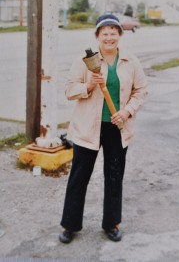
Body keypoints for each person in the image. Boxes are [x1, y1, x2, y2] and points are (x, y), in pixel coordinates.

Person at [59, 14, 148, 243]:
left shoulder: (130, 61)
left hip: (117, 127)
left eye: (113, 32)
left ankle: (112, 224)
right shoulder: (84, 61)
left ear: (119, 35)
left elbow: (141, 91)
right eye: (104, 33)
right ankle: (69, 224)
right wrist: (88, 85)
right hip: (88, 127)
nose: (109, 37)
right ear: (97, 36)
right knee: (79, 176)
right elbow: (69, 90)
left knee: (114, 176)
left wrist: (126, 111)